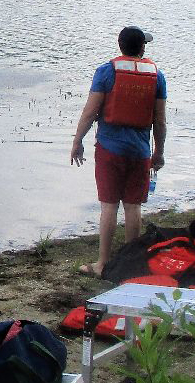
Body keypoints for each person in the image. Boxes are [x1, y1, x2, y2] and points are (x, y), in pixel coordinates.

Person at [70, 26, 167, 278]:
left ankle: (102, 264)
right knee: (133, 207)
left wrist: (77, 140)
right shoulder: (158, 76)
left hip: (109, 150)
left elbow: (90, 112)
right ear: (142, 48)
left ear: (120, 46)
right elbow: (160, 120)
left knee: (109, 206)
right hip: (140, 151)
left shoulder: (106, 71)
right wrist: (159, 153)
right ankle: (131, 267)